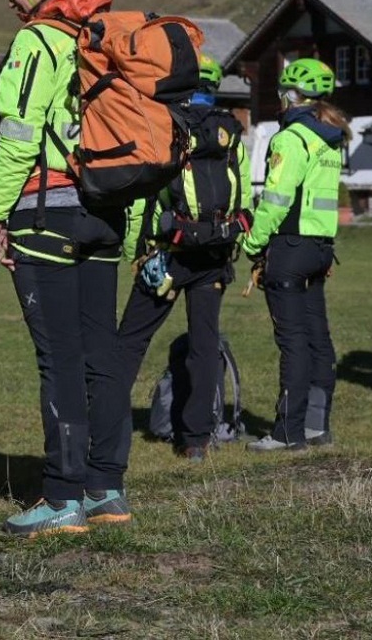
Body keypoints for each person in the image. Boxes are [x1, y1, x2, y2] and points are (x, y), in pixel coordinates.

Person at [0, 0, 128, 537]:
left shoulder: (37, 42)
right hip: (107, 215)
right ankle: (106, 489)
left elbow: (18, 135)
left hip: (48, 211)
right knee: (102, 356)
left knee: (58, 358)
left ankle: (62, 498)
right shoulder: (105, 39)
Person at [116, 54, 253, 461]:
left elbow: (142, 198)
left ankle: (103, 423)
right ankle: (195, 439)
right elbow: (242, 192)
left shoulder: (164, 128)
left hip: (169, 254)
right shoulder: (229, 131)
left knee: (130, 341)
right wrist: (234, 243)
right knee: (204, 343)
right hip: (214, 253)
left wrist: (134, 251)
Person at [239, 58, 349, 452]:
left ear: (289, 95)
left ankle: (288, 432)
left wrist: (253, 243)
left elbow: (277, 199)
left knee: (293, 341)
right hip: (321, 248)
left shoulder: (291, 139)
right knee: (318, 336)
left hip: (289, 247)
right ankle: (318, 426)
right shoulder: (330, 136)